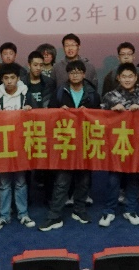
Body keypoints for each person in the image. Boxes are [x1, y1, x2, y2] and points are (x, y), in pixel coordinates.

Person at [40, 60, 99, 231]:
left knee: (84, 180)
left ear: (84, 74)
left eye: (78, 72)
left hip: (85, 142)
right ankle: (54, 216)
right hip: (65, 142)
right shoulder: (60, 92)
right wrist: (60, 112)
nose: (75, 75)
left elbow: (99, 118)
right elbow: (50, 116)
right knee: (62, 181)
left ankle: (79, 210)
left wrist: (88, 113)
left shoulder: (92, 94)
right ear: (68, 75)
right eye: (72, 72)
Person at [99, 63, 139, 227]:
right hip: (116, 145)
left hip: (136, 144)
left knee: (133, 179)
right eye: (124, 76)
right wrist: (112, 111)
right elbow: (100, 118)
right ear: (118, 78)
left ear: (136, 78)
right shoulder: (110, 96)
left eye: (130, 76)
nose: (127, 80)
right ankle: (109, 211)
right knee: (113, 180)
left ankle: (131, 210)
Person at [0, 62, 34, 230]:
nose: (9, 81)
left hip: (21, 145)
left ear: (18, 78)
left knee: (20, 182)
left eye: (12, 78)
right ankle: (4, 215)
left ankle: (23, 214)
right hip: (3, 146)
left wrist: (30, 110)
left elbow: (38, 117)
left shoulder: (26, 94)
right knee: (4, 183)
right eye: (6, 78)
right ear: (2, 79)